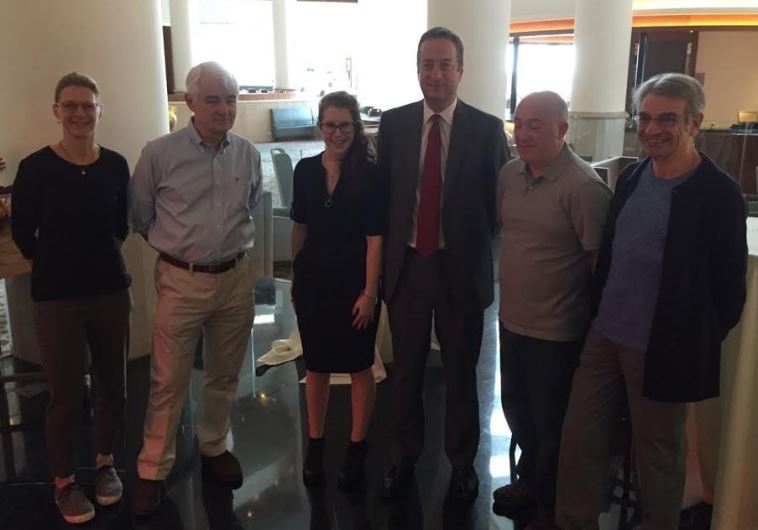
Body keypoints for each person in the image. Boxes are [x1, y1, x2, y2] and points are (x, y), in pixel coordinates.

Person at [555, 73, 747, 530]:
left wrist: (689, 340)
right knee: (580, 440)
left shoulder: (718, 194)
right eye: (644, 118)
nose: (652, 129)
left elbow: (729, 291)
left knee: (658, 455)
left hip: (662, 349)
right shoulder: (634, 177)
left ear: (694, 122)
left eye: (667, 119)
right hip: (605, 336)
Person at [378, 26, 509, 501]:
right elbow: (386, 197)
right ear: (417, 70)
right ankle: (405, 456)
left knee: (460, 374)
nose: (436, 74)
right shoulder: (393, 125)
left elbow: (499, 204)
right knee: (406, 373)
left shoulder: (487, 129)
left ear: (461, 70)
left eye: (445, 65)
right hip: (409, 266)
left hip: (460, 270)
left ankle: (462, 462)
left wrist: (474, 251)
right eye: (427, 65)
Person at [129, 61, 262, 515]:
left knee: (225, 372)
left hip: (235, 277)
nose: (224, 109)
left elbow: (250, 206)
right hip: (181, 280)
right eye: (213, 100)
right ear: (189, 102)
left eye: (231, 99)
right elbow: (140, 215)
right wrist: (179, 253)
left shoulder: (248, 153)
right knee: (168, 379)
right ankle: (153, 468)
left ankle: (213, 444)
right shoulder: (159, 153)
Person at [11, 72, 131, 524]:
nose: (80, 113)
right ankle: (63, 482)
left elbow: (120, 225)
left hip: (109, 291)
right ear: (56, 111)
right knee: (63, 394)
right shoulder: (35, 167)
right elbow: (23, 232)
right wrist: (54, 263)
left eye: (88, 105)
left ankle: (105, 462)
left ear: (100, 110)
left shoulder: (115, 165)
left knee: (113, 384)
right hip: (57, 297)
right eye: (70, 105)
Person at [494, 91, 611, 528]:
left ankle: (551, 503)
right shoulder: (509, 174)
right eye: (519, 123)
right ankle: (531, 483)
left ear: (562, 129)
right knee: (517, 410)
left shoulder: (583, 187)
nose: (522, 133)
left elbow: (599, 264)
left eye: (535, 124)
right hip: (511, 321)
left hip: (557, 331)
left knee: (551, 423)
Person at [290, 91, 385, 489]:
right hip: (314, 281)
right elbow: (300, 226)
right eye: (329, 125)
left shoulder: (371, 174)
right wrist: (296, 276)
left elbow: (375, 239)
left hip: (355, 283)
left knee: (359, 365)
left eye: (345, 125)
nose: (337, 133)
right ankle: (315, 443)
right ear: (319, 127)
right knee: (316, 366)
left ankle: (357, 446)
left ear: (355, 127)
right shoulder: (305, 170)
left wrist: (369, 293)